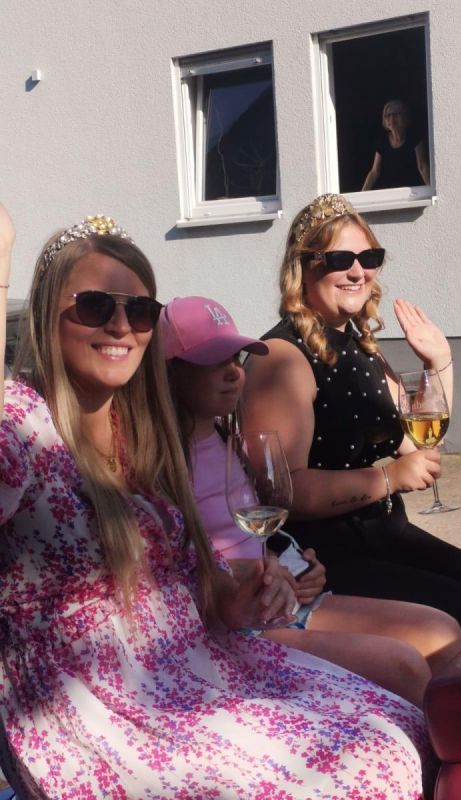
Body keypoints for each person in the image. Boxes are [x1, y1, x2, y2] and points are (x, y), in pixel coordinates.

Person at [0, 206, 433, 798]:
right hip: (98, 704)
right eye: (97, 306)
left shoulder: (142, 431)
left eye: (140, 311)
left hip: (196, 662)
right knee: (361, 771)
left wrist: (238, 596)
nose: (122, 327)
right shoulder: (22, 421)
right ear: (47, 313)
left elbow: (191, 588)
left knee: (398, 731)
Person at [162, 295, 461, 708]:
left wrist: (292, 561)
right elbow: (173, 565)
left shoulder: (223, 437)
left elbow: (243, 533)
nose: (234, 372)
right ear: (169, 373)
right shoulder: (161, 460)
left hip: (282, 597)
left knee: (442, 631)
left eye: (235, 358)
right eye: (214, 363)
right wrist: (257, 575)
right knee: (405, 665)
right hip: (237, 621)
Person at [242, 193, 461, 644]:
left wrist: (438, 361)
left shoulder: (360, 344)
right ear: (303, 266)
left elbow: (417, 444)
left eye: (369, 258)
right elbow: (284, 492)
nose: (357, 271)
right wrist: (388, 479)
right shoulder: (281, 358)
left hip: (387, 534)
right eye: (340, 259)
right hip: (325, 557)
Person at [362, 99, 429, 190]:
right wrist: (362, 193)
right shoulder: (382, 142)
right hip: (390, 191)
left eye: (396, 114)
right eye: (388, 115)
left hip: (413, 191)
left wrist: (432, 190)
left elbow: (422, 167)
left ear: (405, 117)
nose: (392, 119)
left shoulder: (415, 139)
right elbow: (374, 172)